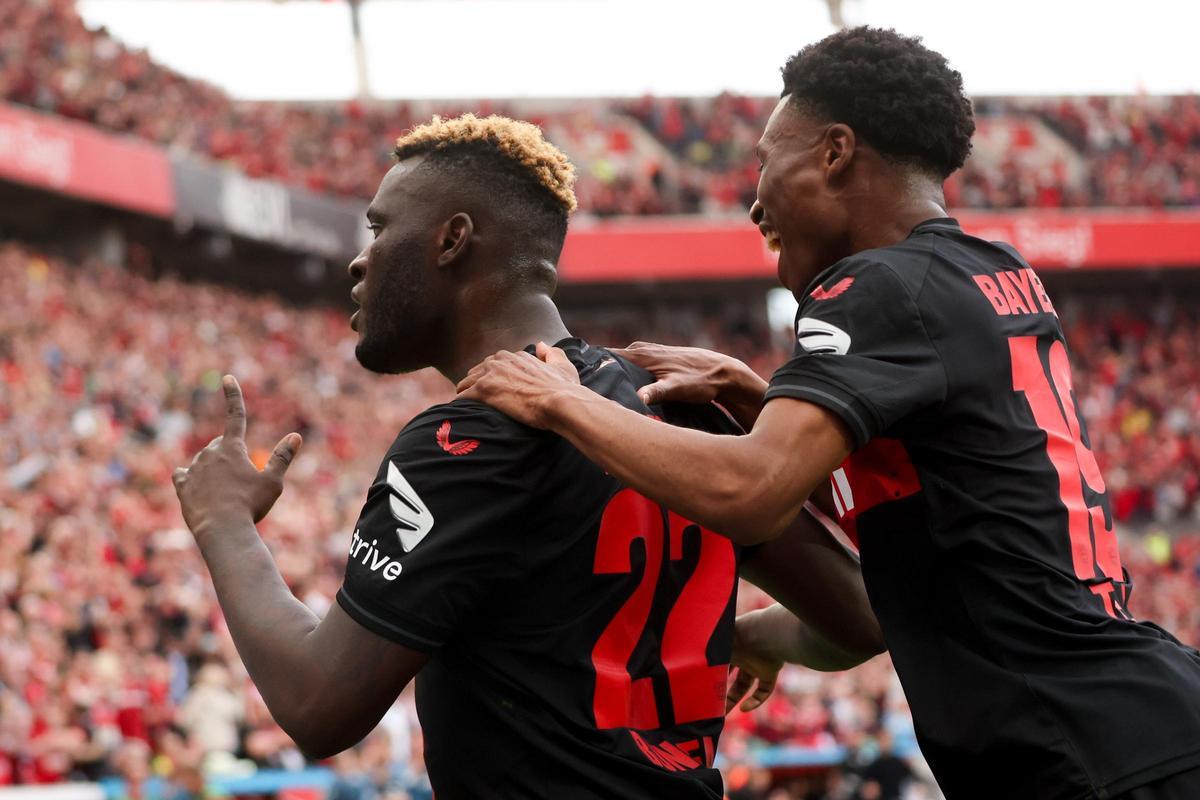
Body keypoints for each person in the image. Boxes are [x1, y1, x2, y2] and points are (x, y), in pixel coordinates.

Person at [456, 28, 1200, 800]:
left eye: (765, 162)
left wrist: (563, 400)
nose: (755, 201)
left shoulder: (874, 286)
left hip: (1088, 753)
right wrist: (759, 403)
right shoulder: (996, 271)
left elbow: (750, 491)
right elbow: (924, 539)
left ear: (835, 153)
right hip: (1137, 719)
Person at [171, 114, 882, 799]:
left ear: (452, 240)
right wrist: (754, 637)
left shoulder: (469, 438)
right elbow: (861, 618)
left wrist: (223, 523)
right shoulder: (679, 401)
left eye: (380, 229)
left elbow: (319, 704)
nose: (360, 259)